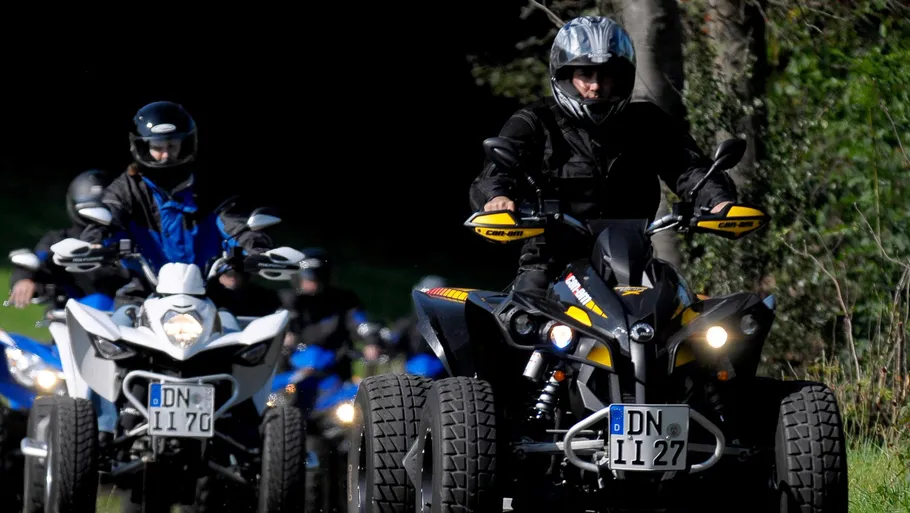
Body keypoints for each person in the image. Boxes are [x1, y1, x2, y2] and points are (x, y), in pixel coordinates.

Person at [469, 16, 737, 293]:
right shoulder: (535, 122)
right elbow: (495, 174)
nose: (596, 86)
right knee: (524, 309)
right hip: (551, 265)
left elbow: (689, 168)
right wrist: (497, 198)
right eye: (585, 75)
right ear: (565, 76)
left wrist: (719, 202)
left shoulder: (648, 122)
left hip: (632, 264)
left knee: (682, 305)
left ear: (621, 77)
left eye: (606, 75)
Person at [76, 100, 276, 305]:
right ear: (142, 147)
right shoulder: (126, 189)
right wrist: (94, 243)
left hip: (207, 297)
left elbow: (236, 225)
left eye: (172, 146)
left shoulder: (211, 187)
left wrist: (257, 250)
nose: (166, 155)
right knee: (115, 323)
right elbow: (108, 218)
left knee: (250, 323)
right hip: (141, 296)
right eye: (157, 147)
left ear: (187, 144)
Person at [8, 169, 131, 309]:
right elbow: (36, 261)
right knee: (97, 301)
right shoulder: (58, 240)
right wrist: (24, 279)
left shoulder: (126, 238)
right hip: (72, 311)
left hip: (128, 307)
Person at [278, 247, 382, 382]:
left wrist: (371, 342)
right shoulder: (287, 300)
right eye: (307, 279)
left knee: (354, 391)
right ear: (297, 277)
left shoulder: (345, 301)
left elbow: (360, 323)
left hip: (334, 368)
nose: (311, 284)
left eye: (315, 280)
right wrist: (283, 337)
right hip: (290, 370)